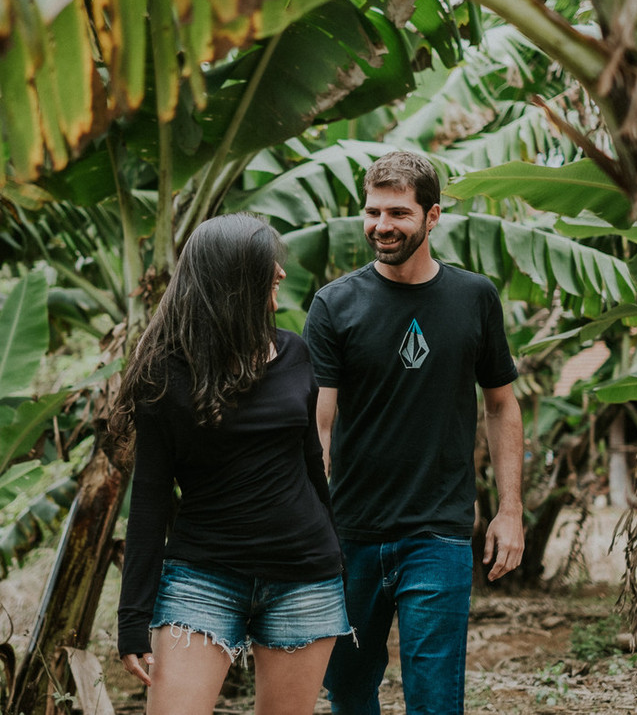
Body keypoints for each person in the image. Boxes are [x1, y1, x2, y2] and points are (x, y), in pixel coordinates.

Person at [302, 150, 525, 715]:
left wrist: (510, 509)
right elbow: (318, 422)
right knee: (348, 692)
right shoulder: (335, 304)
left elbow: (502, 404)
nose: (382, 226)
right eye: (373, 212)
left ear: (433, 217)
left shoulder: (474, 297)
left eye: (398, 213)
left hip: (438, 533)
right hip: (349, 532)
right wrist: (308, 523)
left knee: (434, 699)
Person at [114, 213, 350, 715]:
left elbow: (312, 465)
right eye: (271, 264)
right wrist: (132, 618)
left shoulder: (295, 353)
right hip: (202, 577)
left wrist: (335, 552)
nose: (281, 274)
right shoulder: (164, 372)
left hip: (303, 577)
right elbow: (151, 499)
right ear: (235, 277)